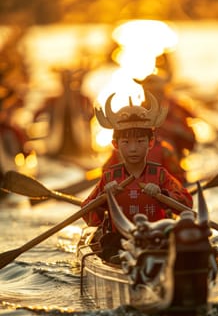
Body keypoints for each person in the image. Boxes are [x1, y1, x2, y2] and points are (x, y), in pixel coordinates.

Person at [81, 91, 193, 261]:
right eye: (126, 143)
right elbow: (87, 213)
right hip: (119, 241)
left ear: (150, 142)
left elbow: (187, 204)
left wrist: (163, 195)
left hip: (157, 239)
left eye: (140, 142)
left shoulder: (161, 175)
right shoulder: (109, 178)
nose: (133, 149)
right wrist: (105, 197)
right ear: (115, 145)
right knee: (109, 245)